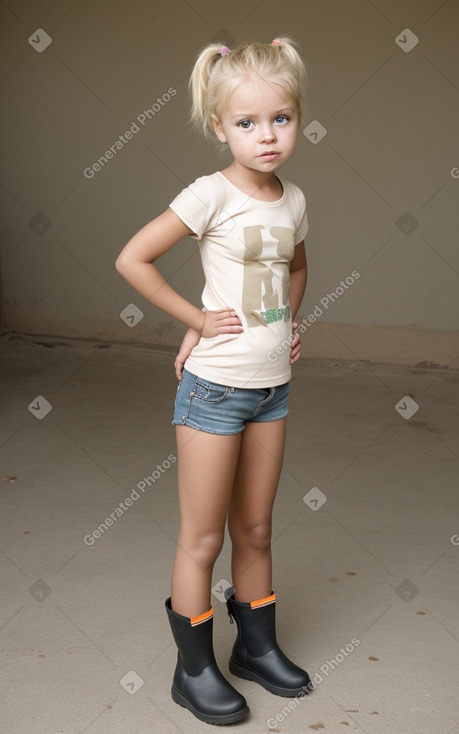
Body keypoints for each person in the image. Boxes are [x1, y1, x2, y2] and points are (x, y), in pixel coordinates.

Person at [116, 36, 311, 726]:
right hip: (215, 390)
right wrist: (195, 318)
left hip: (271, 387)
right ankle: (192, 668)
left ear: (298, 117)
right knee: (202, 540)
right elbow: (134, 259)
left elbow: (291, 265)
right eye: (246, 122)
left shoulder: (291, 199)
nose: (266, 135)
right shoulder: (209, 193)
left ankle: (254, 649)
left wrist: (287, 318)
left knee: (254, 529)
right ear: (218, 125)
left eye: (280, 118)